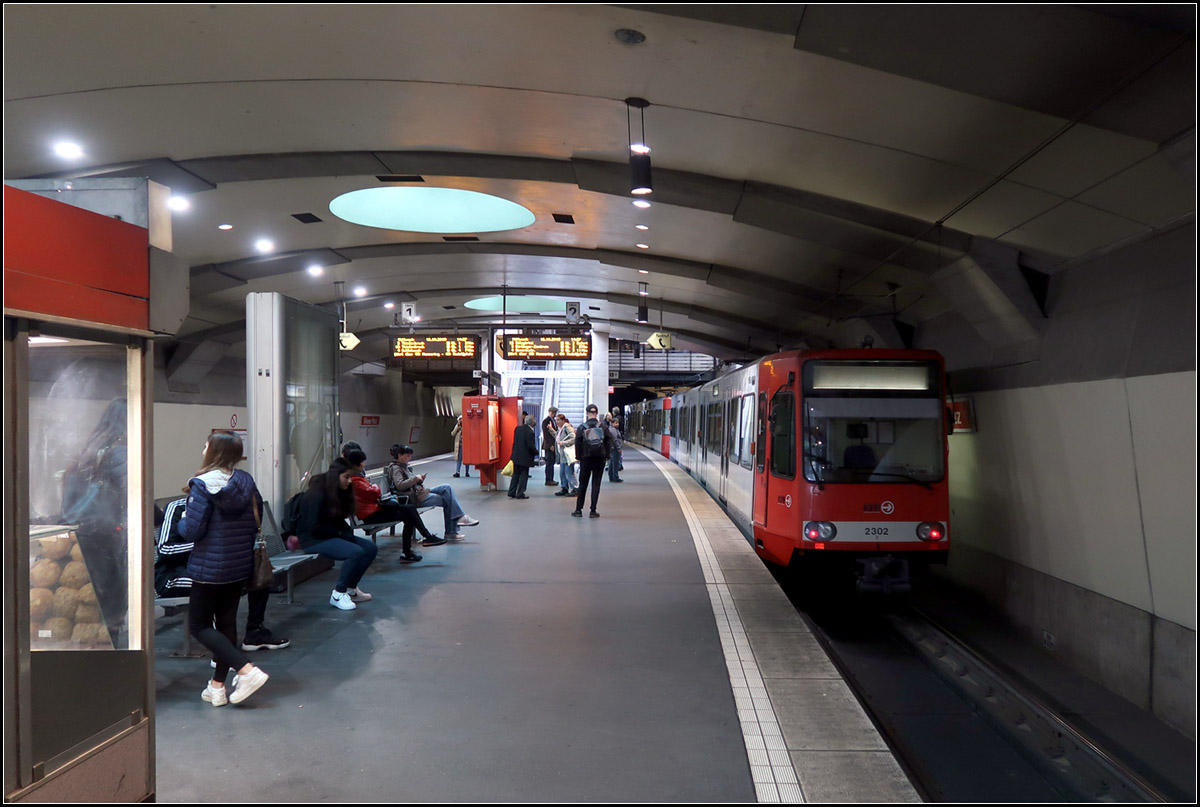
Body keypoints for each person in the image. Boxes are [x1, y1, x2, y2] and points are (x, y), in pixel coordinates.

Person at [178, 430, 270, 706]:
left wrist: (183, 519)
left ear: (213, 451)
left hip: (209, 569)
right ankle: (217, 687)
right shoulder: (245, 481)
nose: (203, 448)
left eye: (206, 444)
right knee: (226, 622)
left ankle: (246, 670)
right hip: (238, 564)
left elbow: (192, 531)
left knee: (199, 626)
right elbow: (258, 517)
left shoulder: (202, 485)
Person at [156, 497, 290, 652]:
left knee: (256, 574)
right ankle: (222, 649)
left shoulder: (224, 507)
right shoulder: (177, 508)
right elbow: (165, 549)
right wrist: (205, 545)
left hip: (212, 568)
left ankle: (255, 632)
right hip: (173, 574)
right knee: (218, 584)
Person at [61, 397, 130, 647]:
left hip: (79, 532)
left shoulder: (88, 450)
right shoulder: (120, 451)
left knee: (88, 602)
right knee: (109, 608)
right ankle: (105, 665)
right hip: (105, 536)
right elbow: (132, 490)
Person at [294, 457, 380, 610]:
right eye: (346, 477)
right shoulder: (316, 494)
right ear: (335, 476)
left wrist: (342, 532)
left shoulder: (338, 491)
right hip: (313, 539)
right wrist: (341, 533)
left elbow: (338, 520)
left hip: (331, 534)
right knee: (355, 552)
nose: (349, 481)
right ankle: (338, 593)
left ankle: (351, 589)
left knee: (370, 549)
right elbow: (314, 527)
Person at [343, 447, 445, 563]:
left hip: (373, 510)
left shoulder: (357, 478)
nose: (364, 465)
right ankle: (417, 544)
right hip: (369, 516)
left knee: (410, 510)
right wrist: (375, 487)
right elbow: (374, 492)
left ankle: (419, 544)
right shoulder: (356, 480)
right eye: (362, 462)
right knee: (409, 514)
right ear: (357, 464)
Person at [386, 444, 480, 540]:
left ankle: (459, 520)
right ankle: (452, 530)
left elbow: (409, 483)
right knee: (447, 499)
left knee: (446, 488)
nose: (410, 458)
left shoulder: (403, 466)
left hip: (420, 493)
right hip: (415, 498)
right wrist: (415, 478)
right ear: (400, 455)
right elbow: (400, 485)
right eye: (408, 456)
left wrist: (419, 480)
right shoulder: (396, 468)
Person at [573, 404, 614, 518]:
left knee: (583, 484)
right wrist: (606, 456)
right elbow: (608, 441)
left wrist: (579, 457)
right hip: (599, 459)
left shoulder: (582, 427)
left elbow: (577, 443)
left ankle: (578, 510)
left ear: (587, 413)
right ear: (596, 413)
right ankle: (593, 510)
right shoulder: (602, 427)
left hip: (586, 459)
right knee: (596, 484)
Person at [507, 414, 537, 500]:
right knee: (524, 475)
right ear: (532, 423)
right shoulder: (530, 432)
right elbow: (530, 446)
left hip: (516, 456)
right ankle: (520, 493)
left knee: (515, 474)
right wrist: (536, 452)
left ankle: (511, 492)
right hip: (525, 458)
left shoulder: (518, 429)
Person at [554, 413, 577, 497]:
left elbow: (573, 437)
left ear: (563, 420)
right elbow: (558, 438)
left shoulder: (567, 427)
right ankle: (564, 488)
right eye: (556, 420)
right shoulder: (560, 429)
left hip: (567, 455)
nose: (557, 422)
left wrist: (564, 443)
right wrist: (551, 430)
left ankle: (574, 488)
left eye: (558, 420)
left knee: (569, 472)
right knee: (562, 472)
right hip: (563, 455)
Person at [603, 413, 624, 483]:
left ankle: (611, 476)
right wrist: (619, 448)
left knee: (612, 462)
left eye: (618, 423)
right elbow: (615, 439)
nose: (617, 424)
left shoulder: (612, 429)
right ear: (612, 423)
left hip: (612, 448)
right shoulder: (613, 430)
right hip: (614, 448)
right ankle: (615, 477)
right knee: (615, 463)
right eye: (616, 423)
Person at [542, 407, 559, 486]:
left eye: (555, 412)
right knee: (549, 462)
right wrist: (550, 445)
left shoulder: (553, 421)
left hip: (553, 444)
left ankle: (551, 479)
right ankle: (548, 479)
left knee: (551, 462)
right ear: (550, 412)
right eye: (553, 412)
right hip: (549, 445)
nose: (554, 414)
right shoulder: (546, 421)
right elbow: (546, 435)